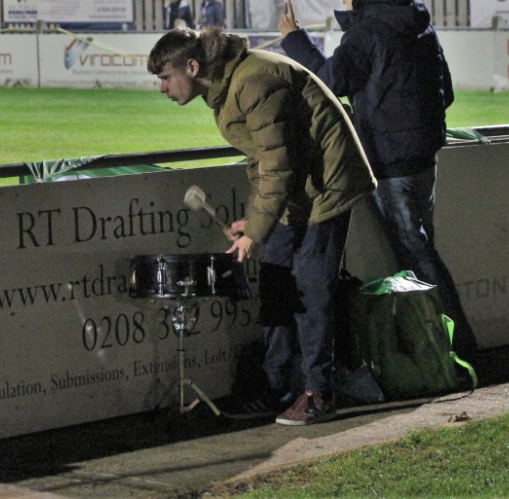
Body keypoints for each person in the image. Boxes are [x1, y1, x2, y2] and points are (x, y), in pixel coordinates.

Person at [147, 26, 375, 425]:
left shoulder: (253, 81)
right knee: (276, 283)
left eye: (166, 77)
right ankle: (278, 389)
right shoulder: (227, 88)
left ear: (193, 67)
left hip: (328, 185)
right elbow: (263, 157)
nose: (162, 88)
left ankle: (318, 394)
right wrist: (255, 219)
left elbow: (277, 165)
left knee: (310, 288)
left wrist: (255, 232)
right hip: (300, 187)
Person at [278, 0, 479, 359]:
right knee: (419, 250)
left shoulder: (370, 29)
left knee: (416, 254)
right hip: (422, 156)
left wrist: (295, 42)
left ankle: (457, 349)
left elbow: (330, 80)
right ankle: (439, 350)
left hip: (391, 160)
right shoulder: (417, 21)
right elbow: (445, 92)